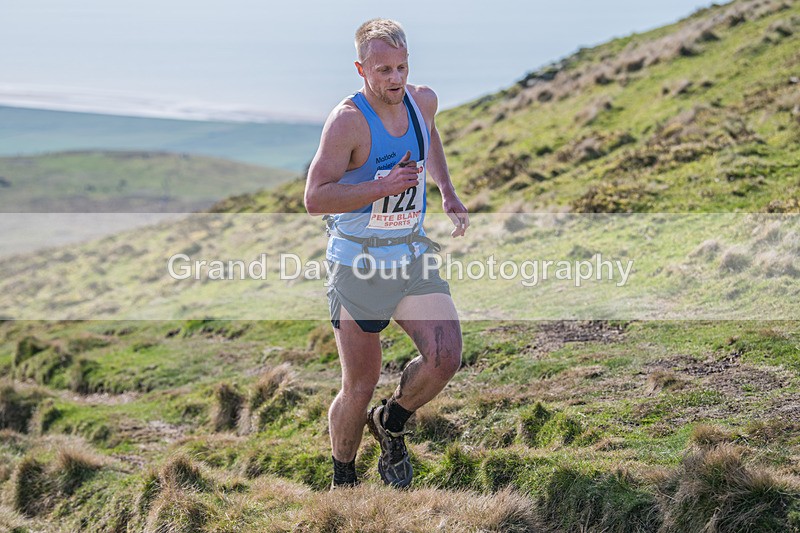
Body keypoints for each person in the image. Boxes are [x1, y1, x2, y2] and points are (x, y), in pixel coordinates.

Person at [304, 18, 470, 489]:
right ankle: (343, 479)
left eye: (400, 67)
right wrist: (381, 187)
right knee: (358, 385)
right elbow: (315, 199)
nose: (394, 79)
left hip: (410, 255)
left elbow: (428, 134)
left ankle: (392, 421)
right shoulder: (348, 122)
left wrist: (447, 192)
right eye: (382, 70)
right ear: (361, 69)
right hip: (357, 262)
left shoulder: (422, 101)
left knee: (445, 357)